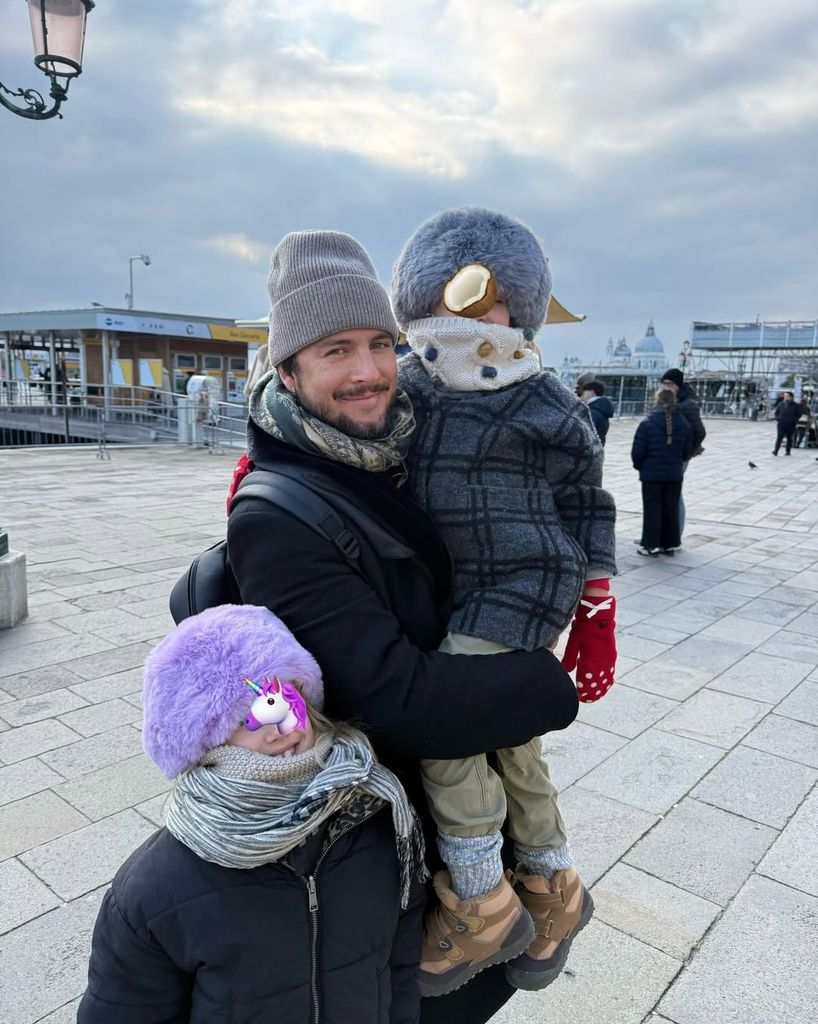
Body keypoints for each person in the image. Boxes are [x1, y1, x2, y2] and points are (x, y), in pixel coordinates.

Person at [224, 230, 580, 1024]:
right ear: (286, 371)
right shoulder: (277, 513)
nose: (367, 371)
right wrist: (548, 686)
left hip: (459, 830)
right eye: (334, 350)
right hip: (390, 859)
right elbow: (396, 697)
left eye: (381, 343)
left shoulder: (400, 449)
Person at [391, 208, 617, 996]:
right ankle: (555, 888)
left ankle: (482, 896)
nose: (474, 322)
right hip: (449, 584)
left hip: (523, 579)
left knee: (450, 718)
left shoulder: (540, 392)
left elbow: (586, 497)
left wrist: (596, 600)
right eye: (455, 304)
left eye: (490, 307)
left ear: (519, 311)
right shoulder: (407, 379)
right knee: (510, 734)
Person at [78, 603, 427, 1024]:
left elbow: (400, 966)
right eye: (249, 716)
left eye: (285, 700)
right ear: (205, 742)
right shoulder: (156, 889)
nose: (282, 727)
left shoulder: (380, 821)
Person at [631, 389, 693, 556]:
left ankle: (650, 545)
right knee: (671, 509)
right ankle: (669, 544)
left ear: (656, 401)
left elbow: (638, 451)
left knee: (652, 509)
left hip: (651, 475)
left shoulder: (647, 423)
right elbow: (688, 450)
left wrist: (640, 466)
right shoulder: (684, 424)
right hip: (674, 474)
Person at [659, 368, 705, 539]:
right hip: (665, 454)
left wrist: (686, 453)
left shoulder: (687, 405)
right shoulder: (667, 400)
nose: (666, 386)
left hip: (678, 456)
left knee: (674, 494)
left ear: (677, 384)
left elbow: (700, 432)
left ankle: (675, 533)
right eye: (664, 383)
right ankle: (661, 533)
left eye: (670, 383)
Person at [580, 379, 614, 446]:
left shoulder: (592, 413)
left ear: (591, 392)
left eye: (583, 393)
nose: (581, 397)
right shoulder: (601, 409)